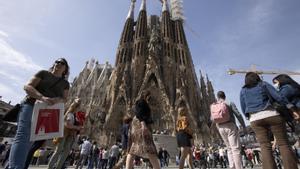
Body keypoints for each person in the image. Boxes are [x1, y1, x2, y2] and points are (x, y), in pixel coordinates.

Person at [8, 58, 70, 169]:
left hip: (47, 112)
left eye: (62, 63)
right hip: (30, 105)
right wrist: (41, 97)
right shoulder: (43, 73)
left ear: (65, 68)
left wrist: (57, 100)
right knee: (22, 136)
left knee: (31, 141)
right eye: (57, 62)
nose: (58, 64)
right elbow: (27, 86)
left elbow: (64, 99)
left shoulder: (65, 83)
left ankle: (12, 165)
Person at [240, 72, 298, 169]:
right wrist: (291, 108)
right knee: (283, 143)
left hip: (255, 119)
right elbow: (279, 97)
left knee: (264, 146)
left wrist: (249, 116)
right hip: (271, 114)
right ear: (258, 78)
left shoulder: (243, 90)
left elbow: (243, 106)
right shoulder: (263, 84)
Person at [210, 91, 246, 169]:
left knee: (229, 148)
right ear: (224, 96)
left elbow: (212, 118)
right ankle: (239, 167)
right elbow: (238, 114)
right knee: (235, 148)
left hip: (220, 128)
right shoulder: (229, 102)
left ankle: (232, 166)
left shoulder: (214, 105)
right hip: (230, 125)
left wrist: (212, 128)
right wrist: (243, 125)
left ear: (217, 97)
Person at [125, 92, 161, 169]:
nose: (149, 99)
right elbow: (139, 113)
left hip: (137, 126)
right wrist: (143, 124)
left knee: (133, 149)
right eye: (148, 97)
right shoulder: (141, 102)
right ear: (145, 96)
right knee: (149, 148)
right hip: (140, 125)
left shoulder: (141, 102)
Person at [47, 98, 83, 169]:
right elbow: (67, 124)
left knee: (66, 151)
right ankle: (50, 167)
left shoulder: (75, 116)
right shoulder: (69, 113)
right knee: (59, 150)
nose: (79, 109)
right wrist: (77, 128)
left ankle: (58, 166)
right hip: (63, 134)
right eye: (78, 107)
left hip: (70, 135)